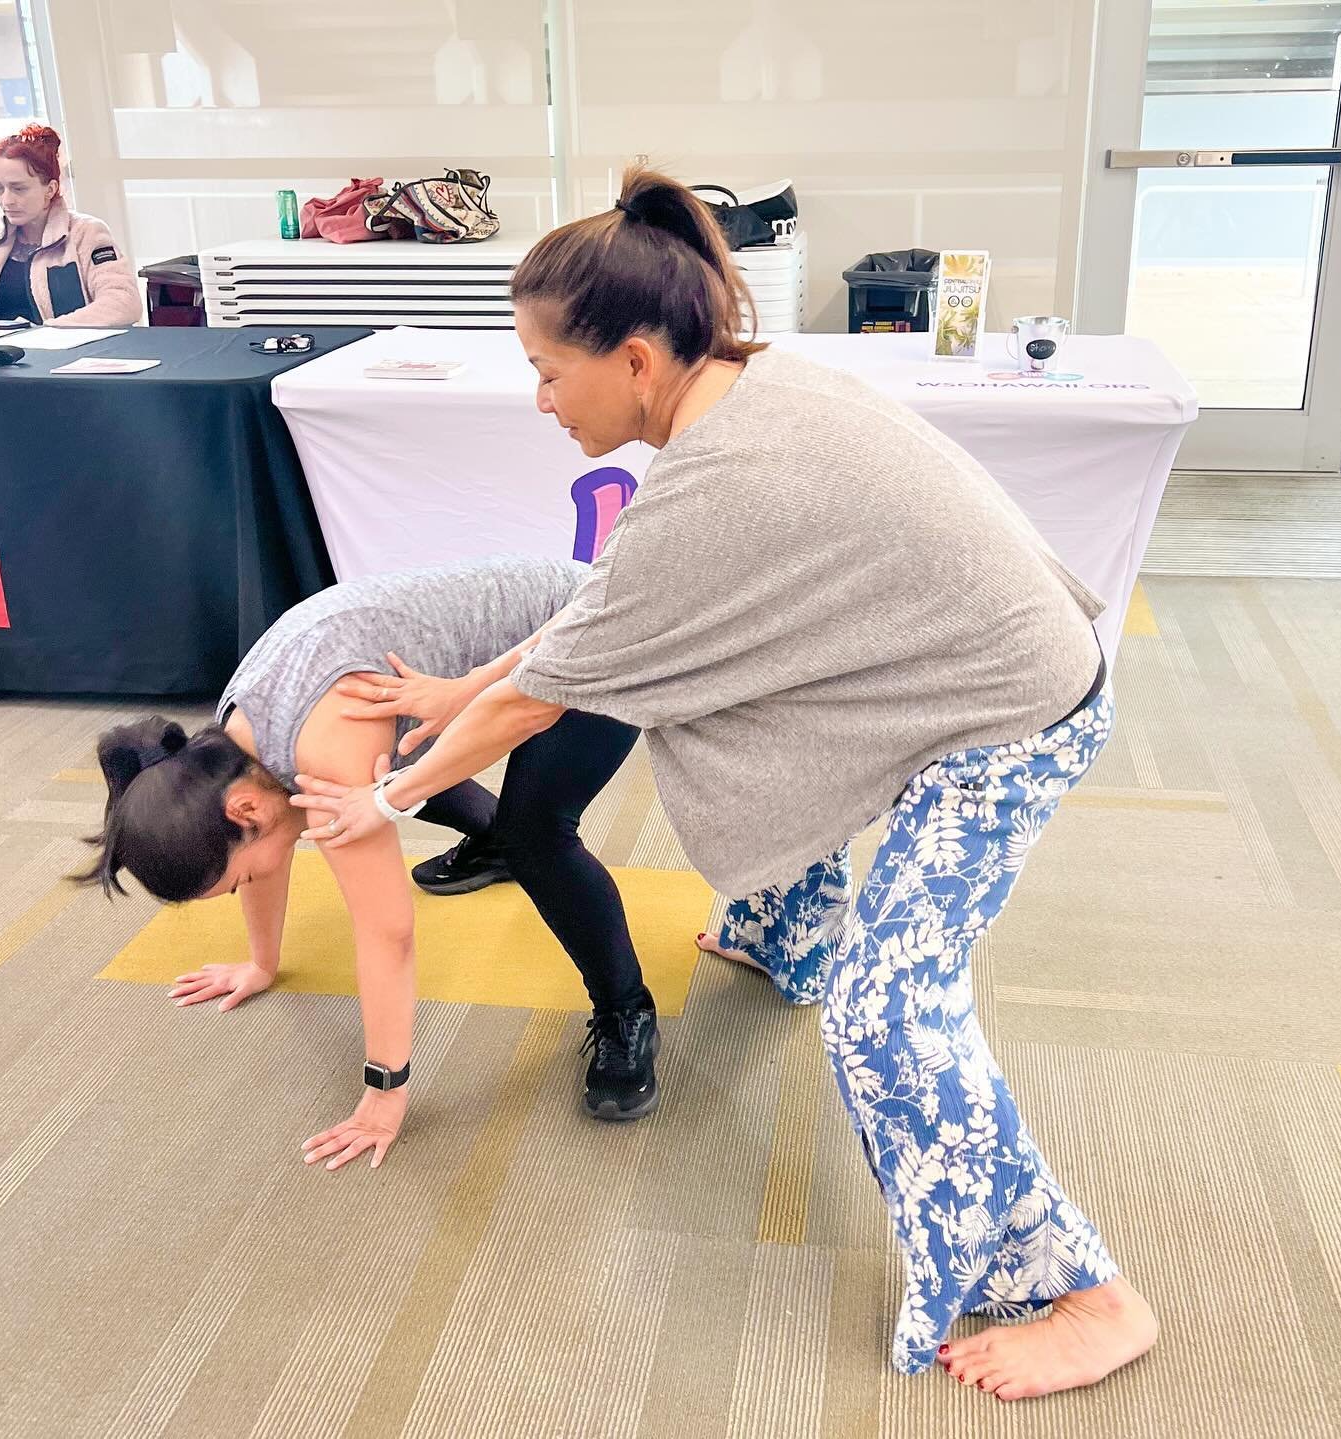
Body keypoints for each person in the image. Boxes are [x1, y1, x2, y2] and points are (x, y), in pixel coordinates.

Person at [291, 167, 1158, 1399]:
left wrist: (387, 796)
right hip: (937, 661)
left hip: (1011, 719)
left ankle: (1088, 1293)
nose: (539, 400)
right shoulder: (743, 379)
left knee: (887, 1015)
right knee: (743, 691)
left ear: (635, 359)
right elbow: (607, 611)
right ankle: (783, 930)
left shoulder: (717, 484)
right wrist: (453, 686)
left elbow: (552, 690)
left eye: (549, 372)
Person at [80, 558, 661, 1174]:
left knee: (533, 836)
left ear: (243, 808)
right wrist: (261, 962)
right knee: (383, 786)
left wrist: (384, 1095)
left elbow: (388, 932)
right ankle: (493, 843)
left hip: (592, 632)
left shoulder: (326, 747)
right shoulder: (226, 753)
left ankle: (626, 1009)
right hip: (460, 677)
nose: (248, 885)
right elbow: (268, 846)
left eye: (239, 880)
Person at [0, 124, 140, 327]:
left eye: (19, 188)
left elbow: (123, 302)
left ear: (50, 189)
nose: (6, 200)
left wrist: (49, 332)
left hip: (68, 353)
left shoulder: (86, 233)